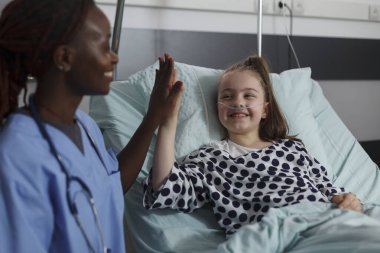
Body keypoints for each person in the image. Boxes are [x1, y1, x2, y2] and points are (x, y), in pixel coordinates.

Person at [0, 0, 183, 252]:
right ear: (64, 57)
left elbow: (110, 186)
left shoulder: (85, 126)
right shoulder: (17, 154)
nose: (114, 57)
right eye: (104, 46)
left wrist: (154, 116)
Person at [142, 55, 363, 237]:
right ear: (217, 108)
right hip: (272, 237)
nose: (238, 102)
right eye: (227, 96)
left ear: (265, 110)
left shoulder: (292, 150)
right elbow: (165, 186)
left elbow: (329, 190)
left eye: (249, 96)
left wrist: (349, 202)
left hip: (324, 223)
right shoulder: (210, 159)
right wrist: (167, 122)